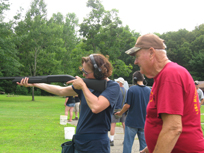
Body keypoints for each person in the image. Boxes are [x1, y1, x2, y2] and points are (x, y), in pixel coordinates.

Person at [17, 53, 120, 153]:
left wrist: (83, 86)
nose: (83, 74)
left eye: (86, 72)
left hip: (96, 144)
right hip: (80, 141)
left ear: (98, 72)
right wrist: (35, 83)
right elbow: (60, 91)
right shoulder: (86, 86)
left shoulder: (112, 87)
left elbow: (96, 107)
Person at [124, 33, 204, 153]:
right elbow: (163, 124)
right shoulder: (167, 74)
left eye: (137, 56)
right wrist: (149, 149)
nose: (135, 62)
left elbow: (173, 128)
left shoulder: (169, 75)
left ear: (151, 53)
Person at [115, 71, 151, 152]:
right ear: (143, 79)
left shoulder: (132, 89)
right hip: (144, 122)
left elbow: (127, 105)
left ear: (134, 79)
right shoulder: (149, 90)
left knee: (128, 144)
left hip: (132, 122)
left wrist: (120, 113)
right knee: (144, 146)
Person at [109, 77, 127, 146]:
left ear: (119, 83)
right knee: (124, 125)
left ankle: (111, 140)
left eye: (117, 82)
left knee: (113, 125)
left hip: (115, 110)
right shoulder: (126, 90)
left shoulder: (116, 90)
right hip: (124, 110)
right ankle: (125, 140)